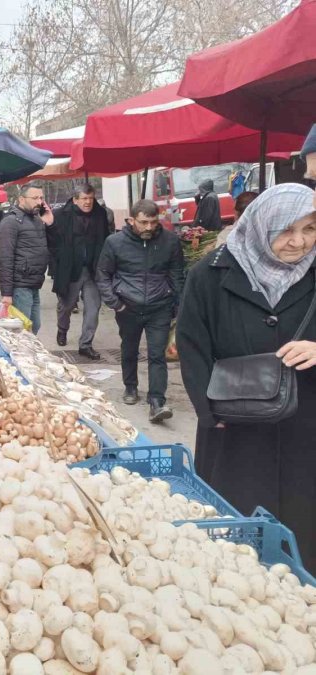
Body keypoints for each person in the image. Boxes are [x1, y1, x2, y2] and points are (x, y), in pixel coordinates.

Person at [176, 183, 316, 569]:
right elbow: (192, 345)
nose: (298, 242)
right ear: (260, 224)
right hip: (235, 424)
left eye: (310, 229)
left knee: (304, 534)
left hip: (306, 425)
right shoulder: (210, 273)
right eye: (285, 230)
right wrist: (209, 412)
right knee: (238, 538)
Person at [96, 199, 184, 423]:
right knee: (129, 349)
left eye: (153, 222)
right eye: (143, 222)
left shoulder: (170, 241)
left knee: (157, 354)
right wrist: (115, 303)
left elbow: (176, 275)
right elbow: (103, 275)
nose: (148, 227)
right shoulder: (115, 242)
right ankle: (131, 387)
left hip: (159, 306)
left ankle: (157, 400)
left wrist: (177, 304)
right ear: (131, 220)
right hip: (128, 306)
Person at [48, 184, 110, 357]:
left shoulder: (100, 215)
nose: (88, 202)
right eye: (84, 198)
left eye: (91, 198)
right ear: (75, 200)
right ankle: (62, 329)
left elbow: (105, 239)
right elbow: (52, 243)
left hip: (93, 270)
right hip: (70, 270)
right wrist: (56, 265)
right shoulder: (61, 215)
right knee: (66, 306)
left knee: (93, 307)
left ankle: (86, 344)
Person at [0, 183, 54, 334]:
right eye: (35, 198)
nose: (39, 202)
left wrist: (49, 223)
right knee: (23, 330)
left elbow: (52, 246)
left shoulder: (37, 219)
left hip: (34, 283)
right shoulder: (10, 222)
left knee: (34, 326)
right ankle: (21, 357)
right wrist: (7, 293)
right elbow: (5, 259)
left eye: (41, 198)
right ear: (21, 199)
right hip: (20, 285)